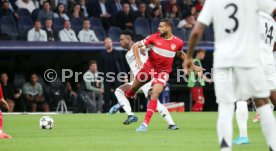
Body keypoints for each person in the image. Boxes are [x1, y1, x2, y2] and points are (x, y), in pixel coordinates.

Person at [184, 0, 276, 150]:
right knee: (264, 103)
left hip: (225, 59)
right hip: (256, 59)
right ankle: (273, 145)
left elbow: (196, 31)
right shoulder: (257, 8)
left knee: (226, 106)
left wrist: (188, 57)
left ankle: (228, 145)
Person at [122, 19, 186, 132]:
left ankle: (145, 124)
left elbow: (180, 53)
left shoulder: (177, 42)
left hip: (161, 73)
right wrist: (137, 59)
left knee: (154, 95)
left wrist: (192, 65)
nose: (158, 28)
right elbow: (136, 47)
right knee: (132, 90)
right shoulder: (152, 38)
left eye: (161, 26)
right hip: (146, 71)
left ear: (168, 28)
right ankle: (122, 104)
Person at [109, 30, 179, 130]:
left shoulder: (139, 46)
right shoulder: (127, 55)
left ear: (128, 39)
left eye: (122, 40)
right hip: (138, 80)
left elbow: (153, 44)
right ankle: (131, 115)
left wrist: (147, 48)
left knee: (154, 101)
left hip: (147, 78)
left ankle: (171, 124)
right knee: (119, 91)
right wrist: (133, 86)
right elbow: (133, 70)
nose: (120, 42)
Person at [233, 11, 276, 145]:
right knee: (273, 96)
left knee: (241, 98)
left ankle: (243, 136)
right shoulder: (271, 21)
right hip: (269, 61)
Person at [98, 37, 126, 112]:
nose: (108, 43)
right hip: (106, 77)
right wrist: (99, 79)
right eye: (106, 42)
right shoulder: (102, 55)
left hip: (116, 77)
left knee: (117, 95)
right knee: (106, 96)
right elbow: (100, 68)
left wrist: (125, 76)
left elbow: (122, 65)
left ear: (112, 43)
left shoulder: (117, 53)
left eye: (109, 42)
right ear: (104, 45)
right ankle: (107, 111)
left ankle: (115, 110)